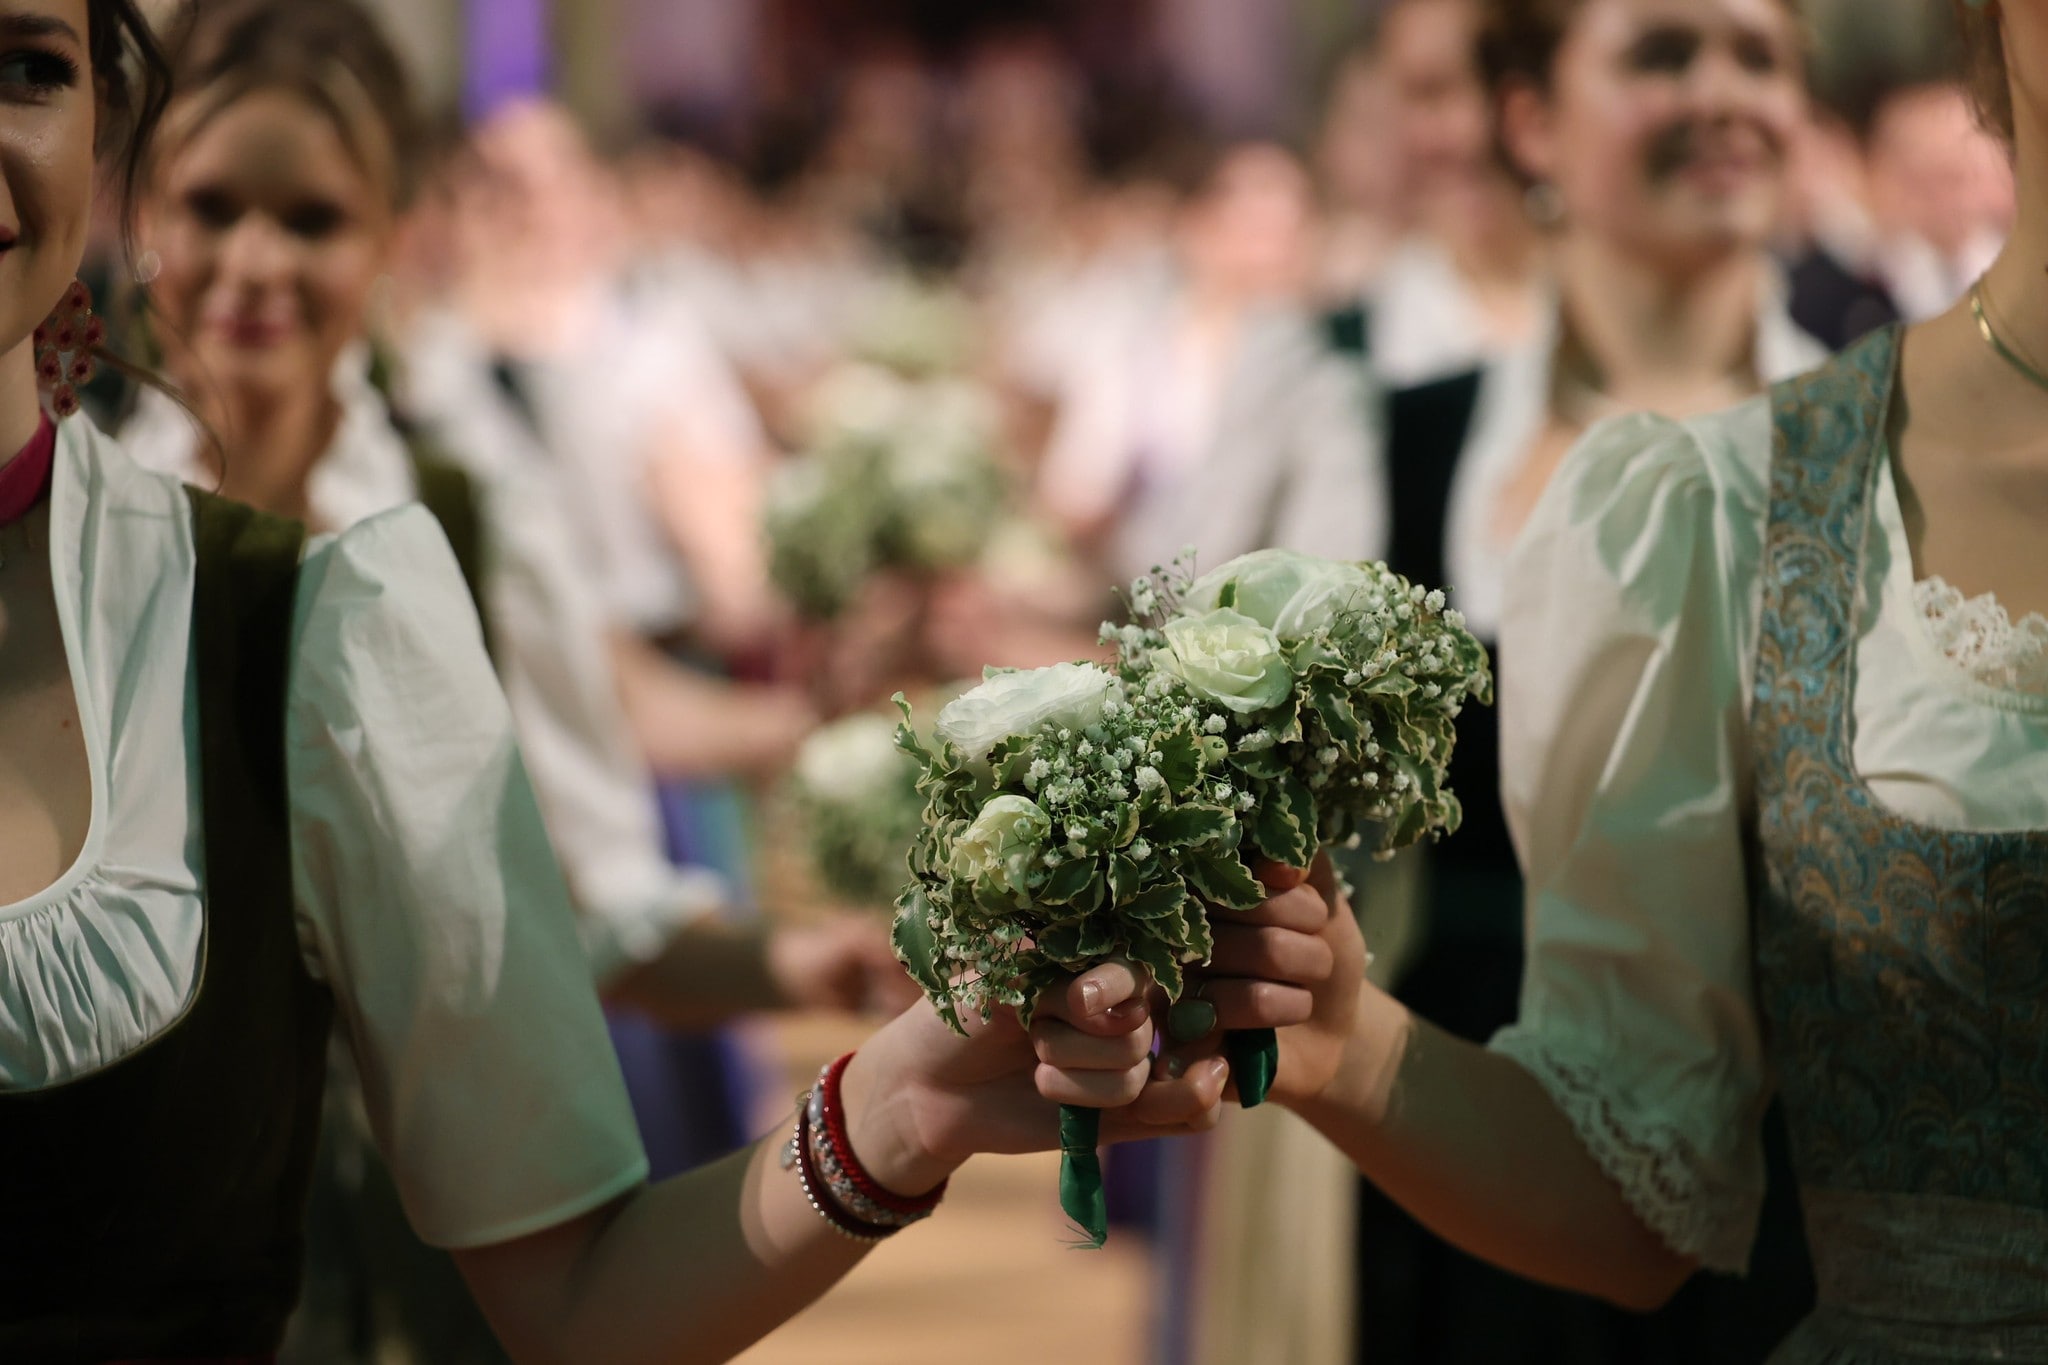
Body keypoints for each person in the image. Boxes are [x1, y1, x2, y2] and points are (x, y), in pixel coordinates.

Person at [0, 3, 1335, 1360]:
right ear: (143, 213)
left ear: (399, 237)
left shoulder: (395, 551)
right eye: (212, 207)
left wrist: (895, 1101)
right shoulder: (212, 498)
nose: (255, 262)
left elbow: (586, 896)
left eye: (25, 67)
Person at [1210, 0, 2048, 1360]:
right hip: (1492, 1078)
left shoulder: (1817, 429)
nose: (1720, 98)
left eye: (1758, 58)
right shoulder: (1456, 440)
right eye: (1662, 54)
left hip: (1758, 1210)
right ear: (1531, 119)